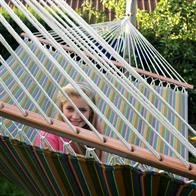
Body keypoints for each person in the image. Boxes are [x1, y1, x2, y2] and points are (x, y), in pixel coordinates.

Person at [34, 82, 102, 158]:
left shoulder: (95, 132)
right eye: (70, 109)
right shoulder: (48, 135)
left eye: (82, 110)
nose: (75, 116)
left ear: (91, 113)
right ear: (61, 109)